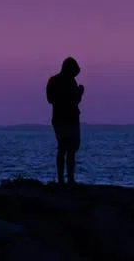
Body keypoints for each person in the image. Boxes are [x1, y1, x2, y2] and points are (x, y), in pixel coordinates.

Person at [46, 56, 84, 185]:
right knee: (69, 148)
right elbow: (74, 101)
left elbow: (50, 99)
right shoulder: (67, 82)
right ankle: (68, 179)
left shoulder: (55, 81)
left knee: (65, 148)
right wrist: (79, 93)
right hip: (68, 119)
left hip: (61, 119)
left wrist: (77, 93)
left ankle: (64, 179)